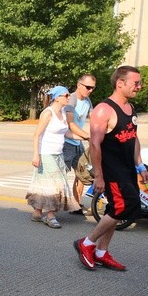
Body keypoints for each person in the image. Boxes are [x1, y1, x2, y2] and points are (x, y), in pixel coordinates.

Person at [74, 66, 147, 271]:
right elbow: (95, 144)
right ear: (120, 83)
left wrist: (140, 165)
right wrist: (99, 176)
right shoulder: (103, 110)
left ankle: (101, 252)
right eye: (136, 83)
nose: (139, 86)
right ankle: (87, 243)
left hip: (127, 168)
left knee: (115, 209)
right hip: (111, 170)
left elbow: (133, 138)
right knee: (124, 207)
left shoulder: (130, 109)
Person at [26, 86, 80, 228]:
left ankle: (37, 213)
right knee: (55, 185)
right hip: (46, 153)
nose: (68, 98)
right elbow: (36, 135)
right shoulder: (48, 113)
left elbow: (65, 133)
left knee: (44, 184)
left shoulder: (62, 112)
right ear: (57, 97)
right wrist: (36, 155)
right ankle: (50, 216)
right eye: (66, 95)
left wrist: (85, 136)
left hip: (58, 153)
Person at [63, 74, 96, 212]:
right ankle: (48, 206)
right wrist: (88, 136)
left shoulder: (87, 101)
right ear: (79, 85)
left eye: (93, 88)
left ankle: (76, 204)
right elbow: (70, 124)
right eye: (88, 87)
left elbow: (94, 119)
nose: (90, 90)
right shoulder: (71, 100)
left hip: (78, 142)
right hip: (65, 142)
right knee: (60, 174)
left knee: (83, 173)